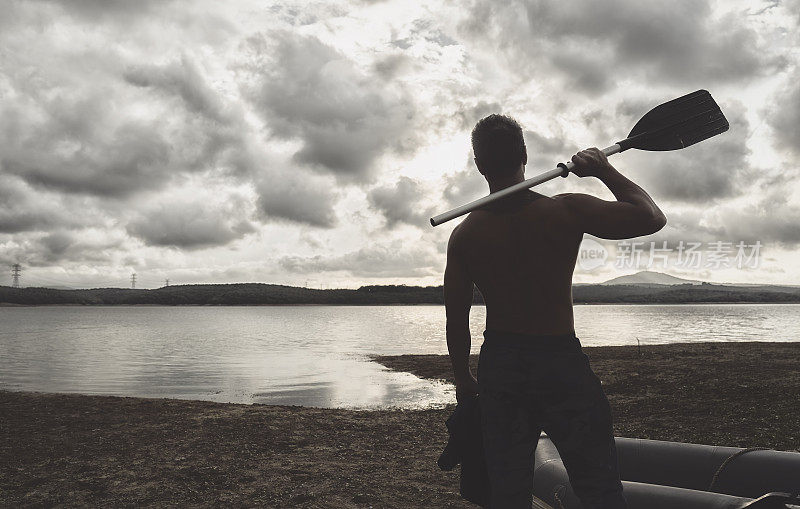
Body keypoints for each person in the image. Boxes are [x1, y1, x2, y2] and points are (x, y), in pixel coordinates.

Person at [444, 114, 666, 508]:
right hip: (559, 361)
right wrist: (603, 170)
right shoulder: (565, 210)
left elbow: (456, 317)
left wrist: (464, 378)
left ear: (479, 164)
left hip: (501, 364)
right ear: (525, 155)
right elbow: (651, 217)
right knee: (598, 485)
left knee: (508, 492)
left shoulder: (465, 234)